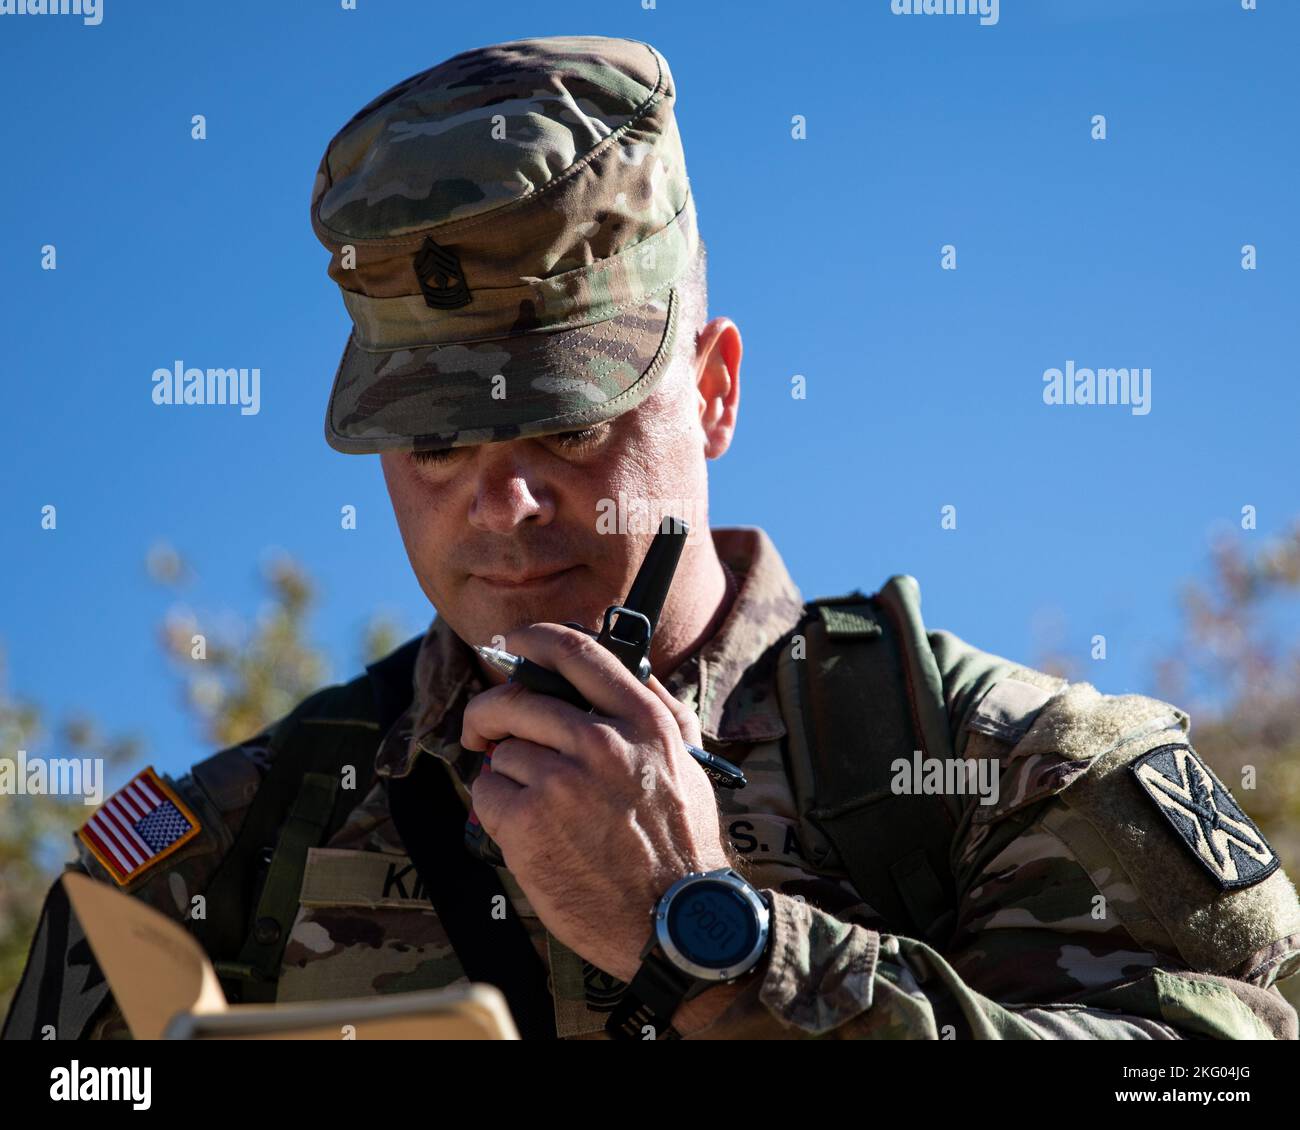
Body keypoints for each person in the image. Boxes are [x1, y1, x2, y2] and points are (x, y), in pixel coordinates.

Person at [5, 34, 1298, 1042]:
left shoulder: (1021, 773)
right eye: (441, 444)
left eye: (567, 427)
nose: (500, 506)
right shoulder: (215, 859)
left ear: (716, 389)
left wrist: (721, 944)